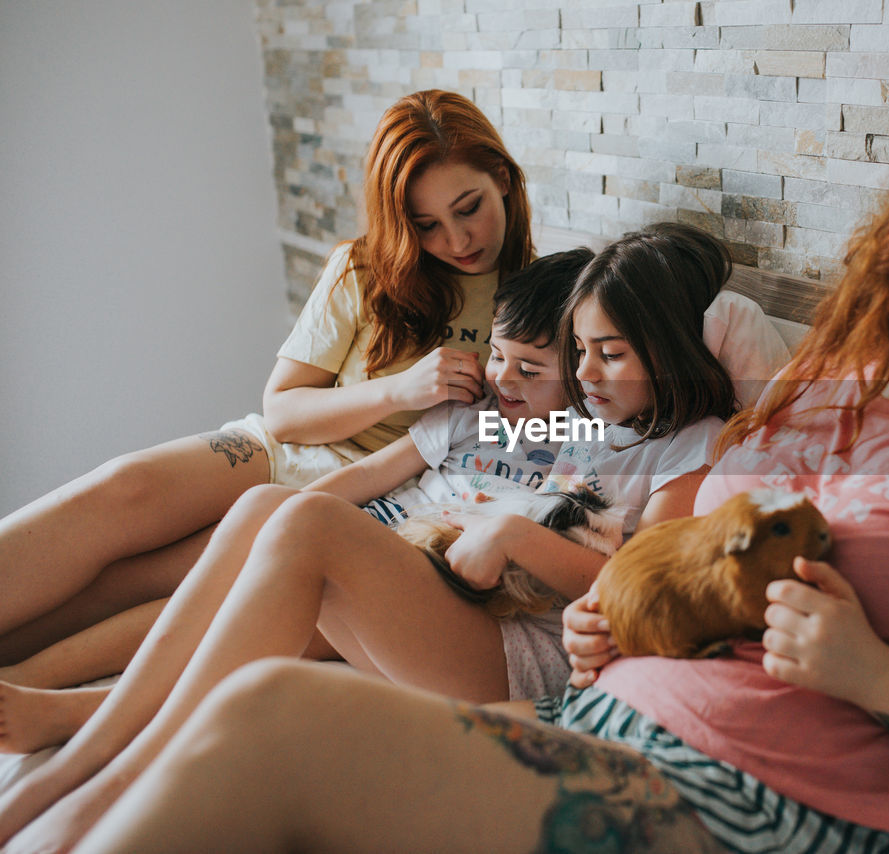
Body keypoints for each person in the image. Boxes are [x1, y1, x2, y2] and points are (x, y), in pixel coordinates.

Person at [60, 117, 889, 854]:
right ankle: (62, 790)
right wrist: (611, 623)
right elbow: (673, 546)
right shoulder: (816, 393)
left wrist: (870, 673)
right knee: (263, 680)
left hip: (747, 791)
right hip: (600, 711)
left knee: (278, 715)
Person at [0, 223, 742, 852]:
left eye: (608, 354)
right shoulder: (563, 415)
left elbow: (640, 595)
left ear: (669, 349)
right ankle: (86, 759)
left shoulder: (688, 444)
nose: (587, 375)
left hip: (520, 652)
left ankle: (107, 777)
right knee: (269, 508)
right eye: (579, 353)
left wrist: (515, 536)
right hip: (450, 603)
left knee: (308, 521)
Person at [0, 89, 532, 670]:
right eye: (426, 225)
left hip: (384, 491)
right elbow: (283, 410)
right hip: (285, 447)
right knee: (125, 486)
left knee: (159, 577)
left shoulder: (538, 298)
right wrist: (398, 391)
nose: (456, 241)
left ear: (502, 178)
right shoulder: (365, 268)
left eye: (469, 208)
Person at [0, 248, 592, 756]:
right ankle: (30, 678)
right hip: (365, 532)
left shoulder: (589, 451)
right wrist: (273, 525)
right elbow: (371, 473)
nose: (504, 379)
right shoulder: (473, 414)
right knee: (235, 542)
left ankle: (79, 716)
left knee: (260, 612)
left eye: (530, 369)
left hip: (415, 578)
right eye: (498, 356)